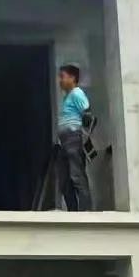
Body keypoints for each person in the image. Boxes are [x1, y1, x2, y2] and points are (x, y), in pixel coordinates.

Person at [55, 63, 92, 211]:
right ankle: (73, 212)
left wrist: (83, 134)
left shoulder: (77, 93)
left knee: (76, 176)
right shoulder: (68, 96)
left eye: (62, 77)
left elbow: (87, 113)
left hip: (73, 139)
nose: (60, 80)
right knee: (65, 180)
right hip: (65, 141)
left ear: (72, 78)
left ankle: (85, 212)